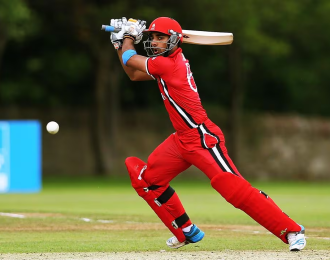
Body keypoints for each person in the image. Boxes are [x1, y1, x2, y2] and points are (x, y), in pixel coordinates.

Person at [109, 17, 306, 251]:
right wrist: (119, 44)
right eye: (152, 37)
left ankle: (292, 231)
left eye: (159, 38)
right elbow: (132, 73)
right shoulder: (164, 63)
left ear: (173, 40)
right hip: (181, 139)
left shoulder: (169, 65)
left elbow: (130, 58)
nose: (154, 42)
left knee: (232, 188)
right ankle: (186, 230)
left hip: (202, 138)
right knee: (148, 181)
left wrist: (128, 38)